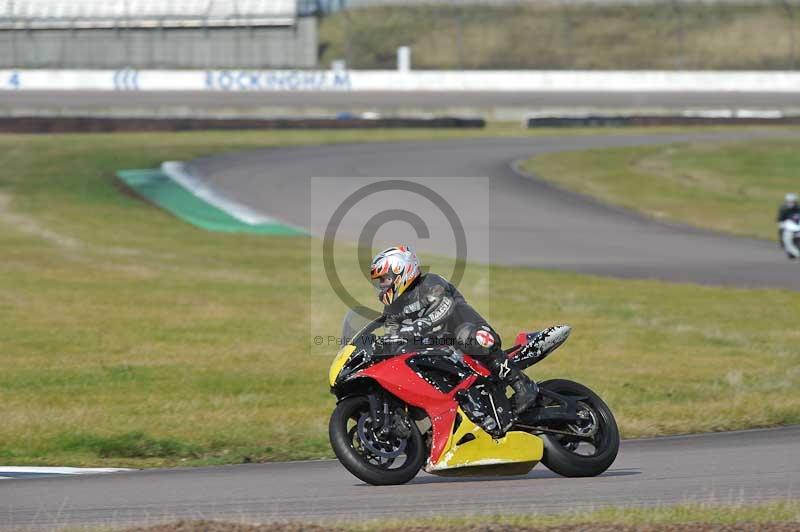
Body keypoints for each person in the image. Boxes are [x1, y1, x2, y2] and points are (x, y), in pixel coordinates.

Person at [369, 245, 537, 414]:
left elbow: (444, 308)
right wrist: (380, 346)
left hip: (470, 336)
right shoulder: (393, 307)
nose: (382, 285)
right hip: (438, 350)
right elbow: (392, 332)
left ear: (401, 270)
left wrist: (416, 327)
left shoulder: (430, 282)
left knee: (468, 336)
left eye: (384, 279)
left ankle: (522, 384)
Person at [777, 193, 800, 259]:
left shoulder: (798, 209)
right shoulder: (783, 209)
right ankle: (782, 243)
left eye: (793, 201)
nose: (791, 203)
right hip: (789, 228)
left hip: (798, 227)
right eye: (789, 201)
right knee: (786, 239)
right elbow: (780, 219)